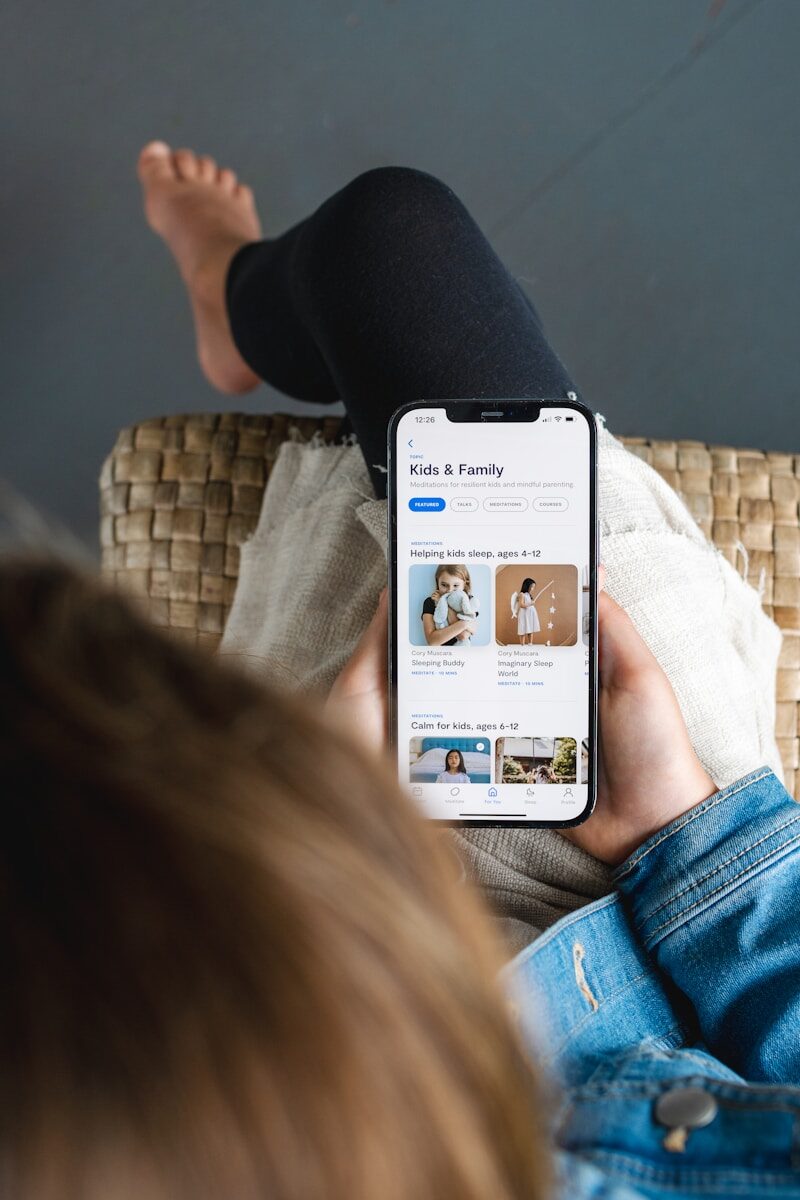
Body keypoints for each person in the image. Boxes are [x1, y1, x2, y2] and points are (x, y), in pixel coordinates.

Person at [132, 143, 800, 1194]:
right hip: (678, 914)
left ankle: (235, 285)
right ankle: (232, 294)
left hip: (351, 996)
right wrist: (687, 832)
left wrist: (325, 860)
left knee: (394, 260)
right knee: (394, 244)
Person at [421, 564, 477, 647]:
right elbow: (432, 641)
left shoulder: (470, 601)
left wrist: (443, 602)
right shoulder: (430, 602)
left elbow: (463, 635)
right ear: (437, 582)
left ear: (465, 584)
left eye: (456, 585)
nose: (450, 590)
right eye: (444, 585)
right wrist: (464, 624)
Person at [512, 577, 540, 645]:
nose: (532, 589)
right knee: (523, 628)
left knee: (530, 628)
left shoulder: (528, 595)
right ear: (527, 586)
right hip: (524, 614)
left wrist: (531, 604)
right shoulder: (522, 594)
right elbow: (521, 605)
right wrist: (531, 603)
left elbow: (528, 604)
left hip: (529, 615)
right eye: (532, 587)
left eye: (533, 587)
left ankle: (530, 643)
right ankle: (522, 644)